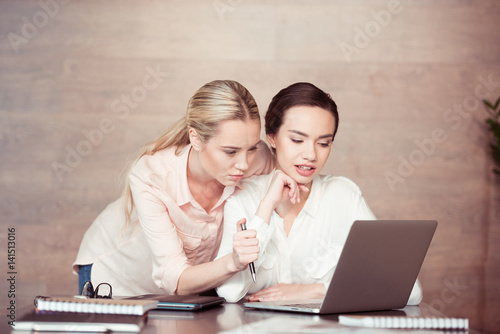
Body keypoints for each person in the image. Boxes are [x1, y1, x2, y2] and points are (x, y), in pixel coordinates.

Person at [215, 82, 423, 304]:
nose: (311, 154)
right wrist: (266, 206)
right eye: (297, 140)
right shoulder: (242, 198)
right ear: (272, 137)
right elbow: (229, 292)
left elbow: (410, 290)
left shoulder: (343, 196)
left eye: (323, 143)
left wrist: (315, 291)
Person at [73, 80, 274, 296]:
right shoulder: (152, 176)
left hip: (193, 287)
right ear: (195, 139)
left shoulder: (258, 159)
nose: (244, 164)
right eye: (230, 152)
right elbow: (175, 279)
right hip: (115, 275)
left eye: (251, 148)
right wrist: (233, 262)